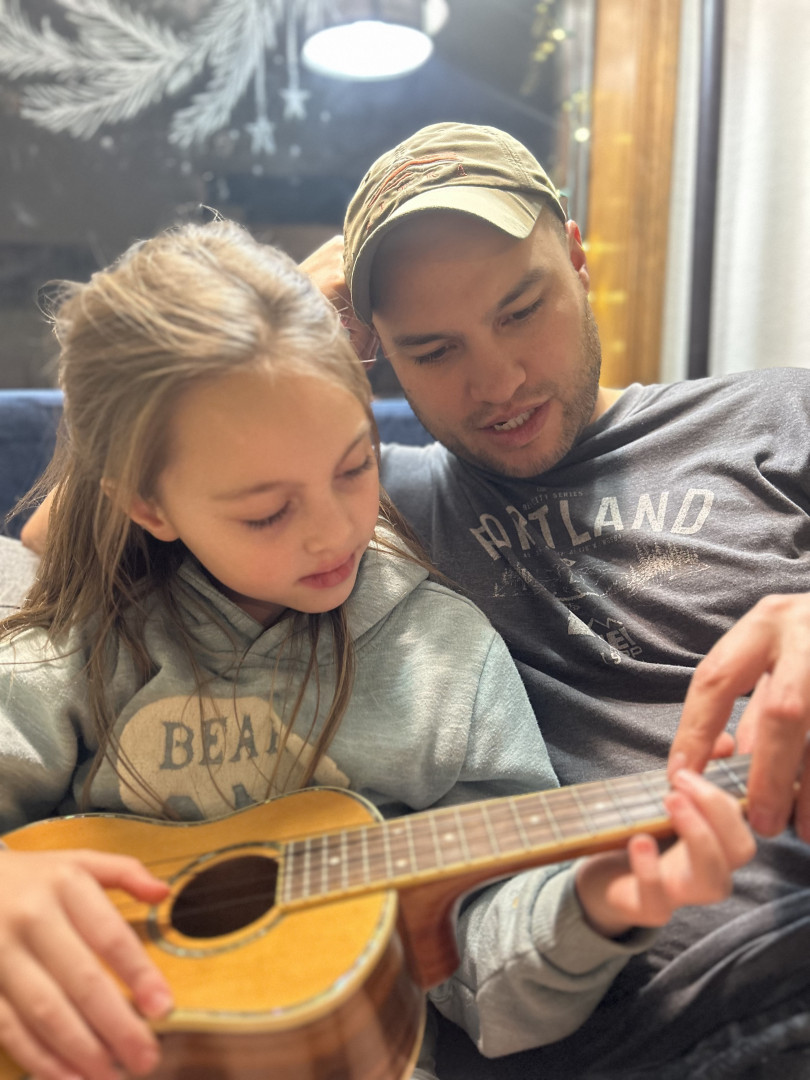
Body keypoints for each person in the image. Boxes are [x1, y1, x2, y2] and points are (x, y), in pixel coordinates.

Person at [0, 219, 753, 1080]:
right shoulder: (80, 636)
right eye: (266, 513)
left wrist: (591, 906)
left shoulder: (443, 656)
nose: (334, 532)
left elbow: (485, 953)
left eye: (356, 468)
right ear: (150, 508)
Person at [299, 122, 810, 1077]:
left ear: (576, 257)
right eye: (433, 349)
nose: (498, 382)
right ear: (377, 354)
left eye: (522, 309)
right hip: (619, 1032)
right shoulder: (363, 504)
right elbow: (80, 540)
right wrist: (278, 315)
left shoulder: (777, 416)